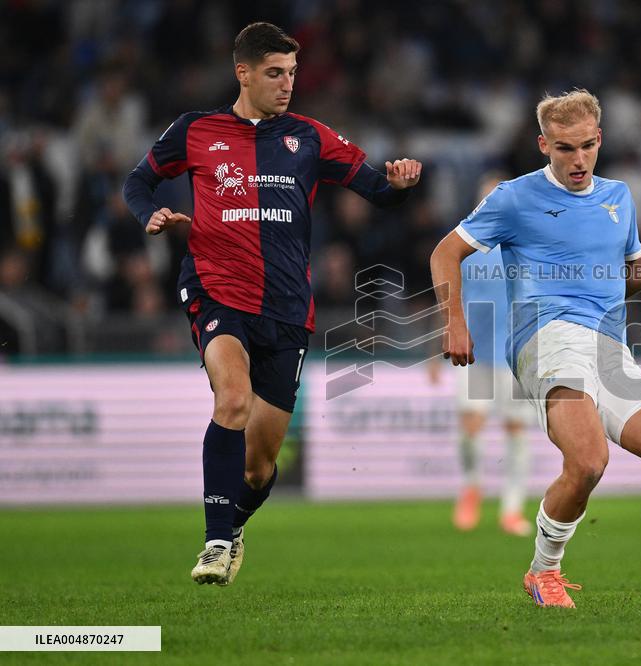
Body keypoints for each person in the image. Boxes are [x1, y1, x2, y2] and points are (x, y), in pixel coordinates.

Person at [122, 22, 422, 585]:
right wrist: (151, 216)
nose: (287, 85)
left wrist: (399, 184)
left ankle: (233, 524)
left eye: (291, 74)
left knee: (259, 468)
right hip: (216, 290)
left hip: (287, 308)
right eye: (274, 73)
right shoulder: (195, 131)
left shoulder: (309, 137)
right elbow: (137, 182)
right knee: (231, 400)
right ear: (243, 72)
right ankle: (214, 544)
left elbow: (375, 189)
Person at [429, 90, 641, 608]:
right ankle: (544, 571)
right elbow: (445, 252)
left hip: (608, 348)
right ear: (543, 145)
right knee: (589, 459)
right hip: (545, 340)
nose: (577, 160)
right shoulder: (514, 196)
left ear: (600, 139)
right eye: (563, 149)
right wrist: (455, 321)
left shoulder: (618, 198)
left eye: (586, 146)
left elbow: (622, 282)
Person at [448, 172, 535, 537]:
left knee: (516, 429)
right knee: (471, 426)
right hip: (475, 353)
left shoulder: (524, 246)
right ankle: (471, 487)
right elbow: (448, 298)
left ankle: (512, 508)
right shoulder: (464, 248)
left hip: (515, 355)